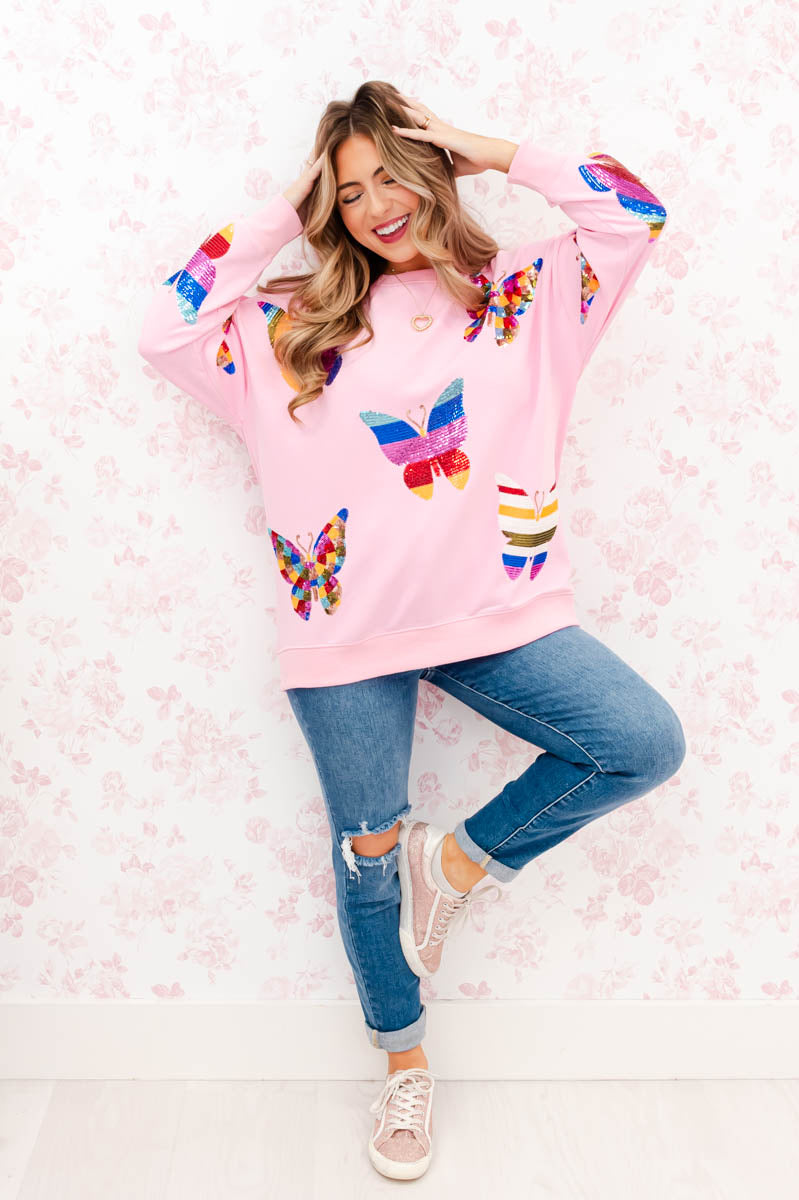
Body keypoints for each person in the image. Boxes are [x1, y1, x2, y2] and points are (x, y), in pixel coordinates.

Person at [138, 80, 683, 1181]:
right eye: (350, 193)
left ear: (434, 172)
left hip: (496, 618)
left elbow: (635, 213)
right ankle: (403, 1067)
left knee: (640, 742)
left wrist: (496, 149)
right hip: (345, 639)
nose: (377, 205)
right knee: (365, 856)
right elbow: (164, 326)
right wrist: (287, 211)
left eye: (393, 176)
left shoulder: (526, 297)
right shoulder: (288, 327)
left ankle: (462, 862)